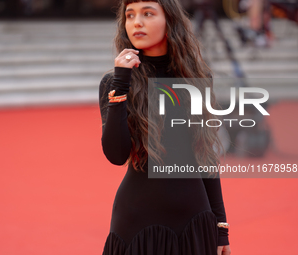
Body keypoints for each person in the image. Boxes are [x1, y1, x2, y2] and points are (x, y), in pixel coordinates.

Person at [98, 0, 231, 254]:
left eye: (147, 13)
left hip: (194, 220)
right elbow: (116, 155)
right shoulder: (114, 83)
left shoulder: (198, 79)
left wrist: (221, 224)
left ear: (169, 21)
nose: (137, 22)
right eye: (130, 15)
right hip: (137, 223)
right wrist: (121, 85)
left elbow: (206, 154)